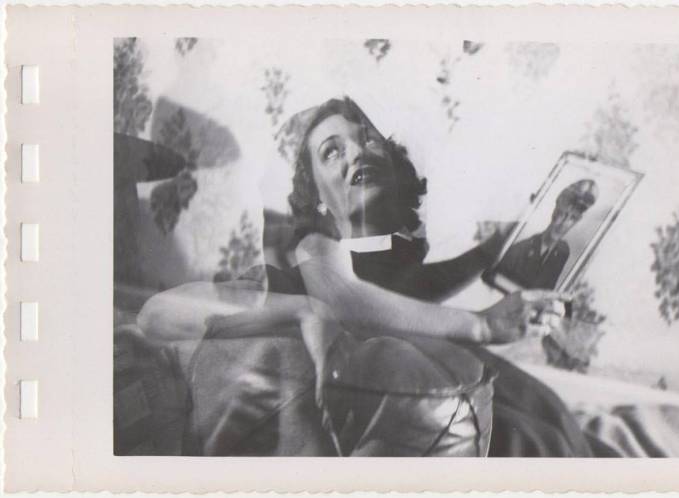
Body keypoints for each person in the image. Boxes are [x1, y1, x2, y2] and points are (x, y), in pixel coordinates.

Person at [138, 97, 595, 457]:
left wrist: (500, 246)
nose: (356, 152)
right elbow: (345, 300)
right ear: (317, 195)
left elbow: (412, 291)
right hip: (387, 384)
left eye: (366, 140)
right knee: (530, 437)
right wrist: (482, 325)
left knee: (550, 415)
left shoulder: (387, 250)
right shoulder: (315, 241)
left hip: (427, 366)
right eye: (332, 151)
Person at [493, 179, 598, 290]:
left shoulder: (562, 253)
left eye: (572, 218)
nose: (563, 223)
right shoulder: (518, 250)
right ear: (555, 210)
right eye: (562, 214)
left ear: (577, 221)